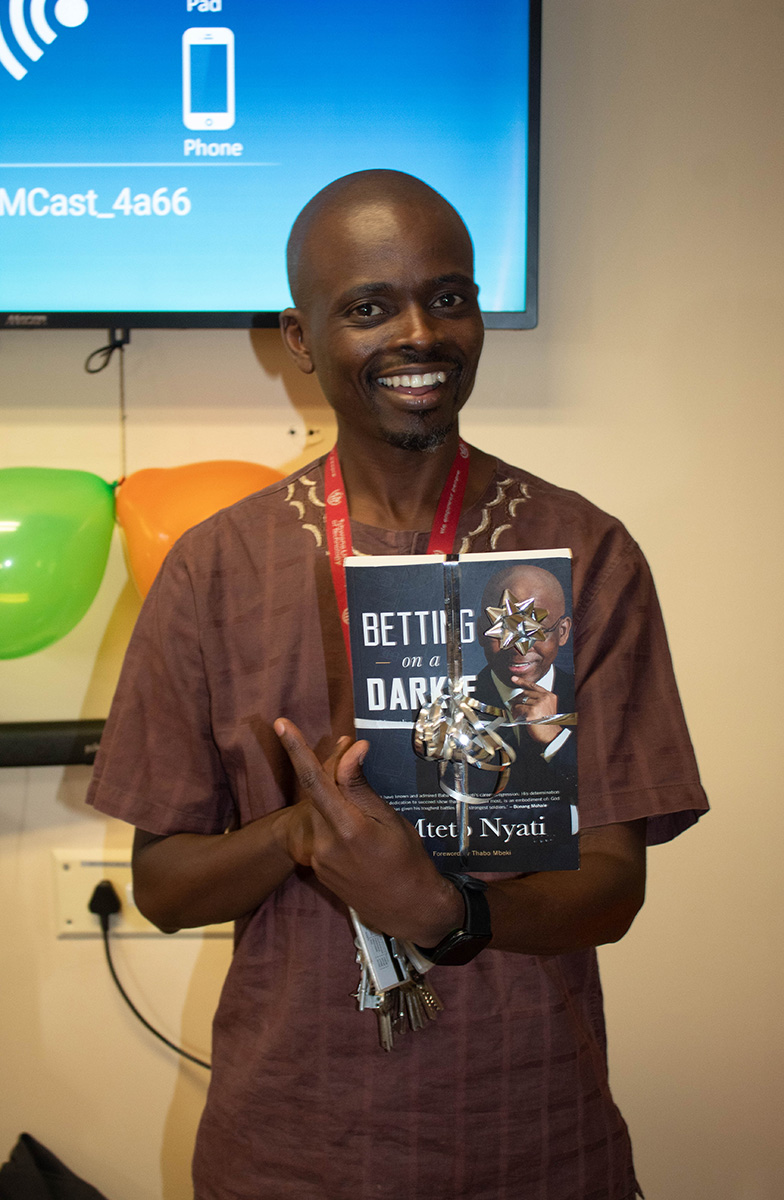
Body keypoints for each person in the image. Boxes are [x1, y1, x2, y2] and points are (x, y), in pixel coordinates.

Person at [87, 169, 708, 1199]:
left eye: (447, 297)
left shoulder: (580, 553)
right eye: (369, 307)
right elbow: (162, 888)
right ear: (300, 338)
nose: (419, 333)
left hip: (533, 1137)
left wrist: (441, 909)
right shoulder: (215, 569)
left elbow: (612, 887)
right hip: (291, 1151)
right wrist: (303, 834)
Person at [472, 563, 577, 797]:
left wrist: (555, 739)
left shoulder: (590, 696)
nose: (519, 648)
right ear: (480, 632)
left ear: (562, 631)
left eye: (534, 629)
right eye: (502, 629)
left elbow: (612, 796)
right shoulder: (448, 707)